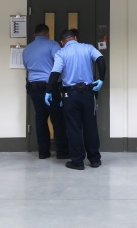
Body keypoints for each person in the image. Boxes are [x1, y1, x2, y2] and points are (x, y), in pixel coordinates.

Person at [45, 29, 106, 170]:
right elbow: (101, 59)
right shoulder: (88, 48)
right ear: (75, 38)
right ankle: (95, 159)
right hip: (88, 93)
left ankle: (77, 162)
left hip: (70, 95)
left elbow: (55, 73)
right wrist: (101, 79)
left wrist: (48, 91)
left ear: (62, 42)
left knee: (74, 128)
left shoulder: (61, 53)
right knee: (90, 126)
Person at [22, 24, 68, 159]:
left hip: (33, 87)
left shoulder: (27, 49)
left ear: (35, 35)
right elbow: (61, 62)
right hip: (50, 87)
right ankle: (62, 152)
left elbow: (26, 66)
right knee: (57, 120)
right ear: (47, 34)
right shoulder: (52, 45)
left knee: (40, 119)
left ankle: (43, 152)